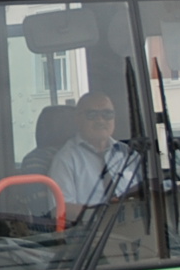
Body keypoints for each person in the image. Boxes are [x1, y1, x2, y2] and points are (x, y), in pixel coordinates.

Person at [48, 92, 137, 222]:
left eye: (107, 114)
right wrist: (104, 214)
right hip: (92, 235)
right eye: (92, 114)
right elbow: (60, 209)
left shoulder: (127, 153)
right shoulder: (65, 159)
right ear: (78, 119)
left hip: (135, 226)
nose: (100, 120)